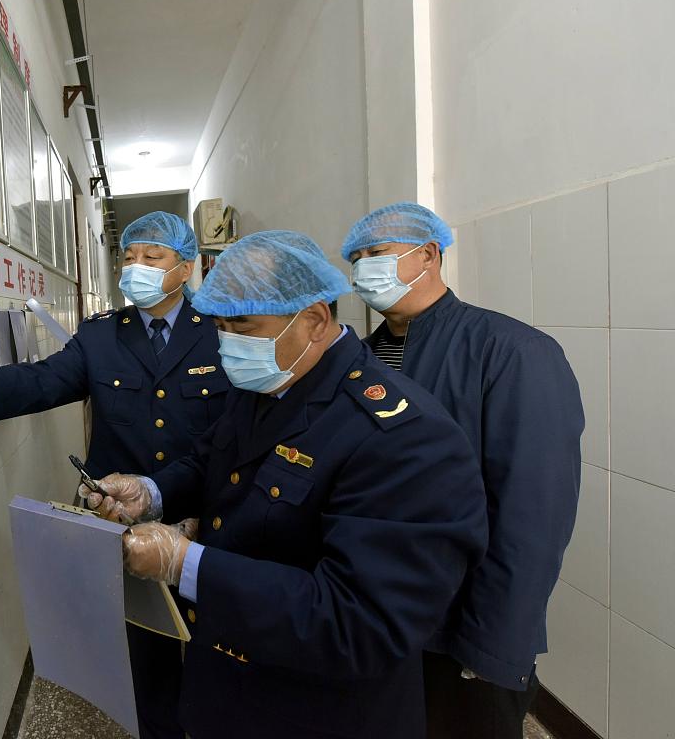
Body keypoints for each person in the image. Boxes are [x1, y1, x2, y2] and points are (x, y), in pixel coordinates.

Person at [83, 230, 488, 739]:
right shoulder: (271, 379)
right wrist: (151, 493)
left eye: (243, 326)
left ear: (315, 320)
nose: (227, 342)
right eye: (221, 325)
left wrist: (186, 564)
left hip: (319, 709)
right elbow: (215, 457)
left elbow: (359, 623)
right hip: (229, 682)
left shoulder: (401, 437)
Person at [0, 211, 225, 739]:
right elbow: (44, 381)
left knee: (218, 662)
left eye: (152, 258)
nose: (136, 267)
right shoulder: (103, 336)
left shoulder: (223, 333)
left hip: (206, 524)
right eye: (129, 258)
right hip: (127, 529)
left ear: (186, 268)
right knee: (148, 658)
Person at [341, 202, 583, 739]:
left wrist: (492, 644)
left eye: (375, 254)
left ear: (428, 254)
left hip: (461, 632)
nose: (362, 270)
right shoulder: (360, 361)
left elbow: (533, 519)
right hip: (375, 620)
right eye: (354, 259)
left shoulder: (512, 353)